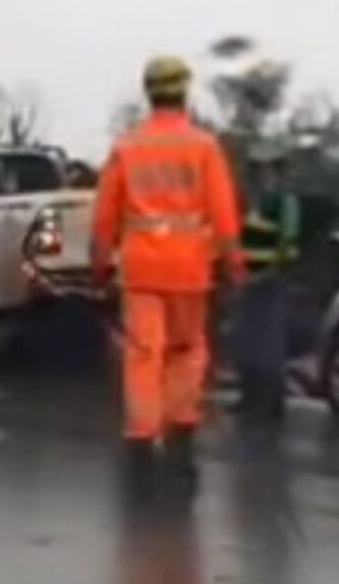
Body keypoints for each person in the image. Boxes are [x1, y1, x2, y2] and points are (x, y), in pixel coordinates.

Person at [91, 55, 245, 494]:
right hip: (190, 270)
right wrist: (233, 265)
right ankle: (180, 438)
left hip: (140, 268)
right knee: (186, 352)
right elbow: (223, 214)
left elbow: (105, 218)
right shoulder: (204, 147)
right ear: (185, 90)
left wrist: (100, 267)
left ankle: (141, 443)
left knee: (143, 356)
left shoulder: (127, 147)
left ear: (149, 92)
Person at [235, 143, 301, 426]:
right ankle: (249, 398)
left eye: (266, 168)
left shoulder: (284, 201)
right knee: (247, 339)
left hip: (270, 279)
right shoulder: (255, 202)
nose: (262, 175)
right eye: (257, 169)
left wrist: (274, 270)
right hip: (248, 279)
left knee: (268, 343)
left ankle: (271, 404)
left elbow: (287, 243)